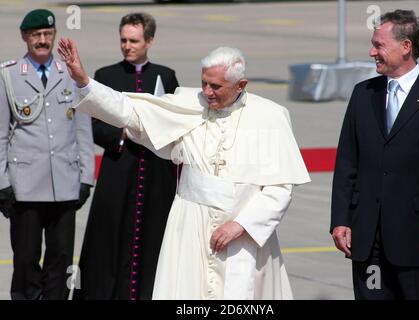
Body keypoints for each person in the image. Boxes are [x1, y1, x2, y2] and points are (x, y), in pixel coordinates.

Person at [58, 38, 311, 299]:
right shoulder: (190, 103)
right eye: (204, 83)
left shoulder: (270, 116)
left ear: (241, 85)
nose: (208, 92)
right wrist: (84, 81)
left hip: (243, 233)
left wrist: (242, 225)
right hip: (190, 226)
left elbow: (280, 188)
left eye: (216, 86)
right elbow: (130, 110)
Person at [331, 9, 419, 300]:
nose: (372, 52)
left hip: (418, 240)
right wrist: (340, 219)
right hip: (367, 238)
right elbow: (347, 161)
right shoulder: (363, 94)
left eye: (379, 45)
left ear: (406, 46)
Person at [73, 13, 178, 300]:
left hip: (155, 173)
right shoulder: (107, 76)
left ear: (150, 41)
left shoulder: (165, 76)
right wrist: (123, 135)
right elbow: (90, 123)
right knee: (109, 238)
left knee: (152, 238)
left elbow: (175, 121)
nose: (127, 46)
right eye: (123, 40)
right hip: (118, 169)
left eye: (134, 40)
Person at [0, 9, 95, 300]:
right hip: (25, 186)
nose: (42, 40)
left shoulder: (69, 73)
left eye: (47, 34)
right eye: (36, 35)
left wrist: (86, 177)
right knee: (27, 258)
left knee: (61, 257)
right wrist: (2, 183)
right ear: (25, 37)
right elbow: (1, 134)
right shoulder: (9, 75)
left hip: (64, 184)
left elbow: (83, 130)